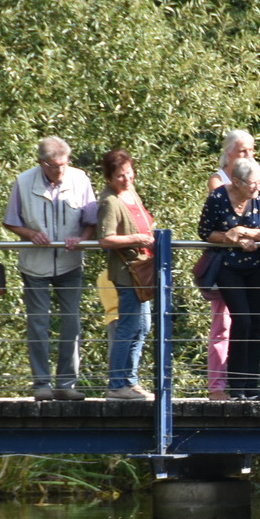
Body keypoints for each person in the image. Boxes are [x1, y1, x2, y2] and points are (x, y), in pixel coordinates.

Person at [3, 136, 95, 399]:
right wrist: (30, 234)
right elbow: (11, 221)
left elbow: (91, 220)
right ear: (41, 163)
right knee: (38, 324)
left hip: (70, 262)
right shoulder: (23, 181)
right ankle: (41, 384)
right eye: (54, 166)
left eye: (64, 164)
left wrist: (81, 239)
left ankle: (67, 384)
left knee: (71, 323)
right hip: (35, 265)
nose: (60, 170)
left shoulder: (81, 179)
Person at [200, 158, 260, 399]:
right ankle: (236, 385)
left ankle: (251, 386)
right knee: (241, 320)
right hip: (228, 266)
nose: (257, 187)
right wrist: (228, 238)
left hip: (259, 266)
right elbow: (204, 232)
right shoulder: (218, 197)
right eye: (252, 184)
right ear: (236, 181)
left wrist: (242, 231)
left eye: (258, 182)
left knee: (256, 324)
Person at [93, 149, 157, 401]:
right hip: (127, 272)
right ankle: (117, 384)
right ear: (109, 178)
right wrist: (136, 238)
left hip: (143, 270)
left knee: (142, 327)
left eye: (129, 173)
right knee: (128, 327)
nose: (126, 179)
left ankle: (129, 381)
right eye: (120, 176)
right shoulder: (110, 201)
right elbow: (105, 239)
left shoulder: (131, 193)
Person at [203, 131, 257, 400]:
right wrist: (243, 232)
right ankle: (217, 387)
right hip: (223, 262)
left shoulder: (256, 176)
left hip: (250, 262)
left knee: (246, 323)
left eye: (251, 151)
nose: (249, 156)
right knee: (222, 324)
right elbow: (223, 217)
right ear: (229, 153)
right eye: (243, 151)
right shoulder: (218, 180)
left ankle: (243, 384)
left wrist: (246, 233)